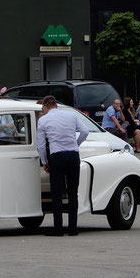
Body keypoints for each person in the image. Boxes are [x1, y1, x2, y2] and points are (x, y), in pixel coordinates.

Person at [38, 95, 89, 236]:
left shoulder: (43, 120)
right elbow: (85, 131)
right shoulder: (71, 115)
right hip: (73, 155)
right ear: (56, 105)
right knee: (73, 193)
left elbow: (41, 145)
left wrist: (44, 162)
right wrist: (75, 144)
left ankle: (58, 228)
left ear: (45, 107)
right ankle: (73, 228)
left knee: (57, 193)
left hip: (57, 156)